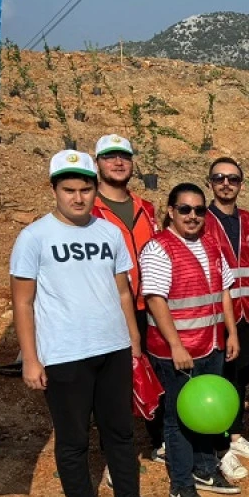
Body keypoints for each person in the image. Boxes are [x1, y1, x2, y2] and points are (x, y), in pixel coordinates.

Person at [10, 150, 167, 497]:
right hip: (64, 354)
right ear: (54, 190)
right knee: (73, 439)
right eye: (69, 190)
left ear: (95, 189)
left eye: (85, 189)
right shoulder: (34, 237)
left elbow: (122, 290)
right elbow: (23, 302)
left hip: (113, 348)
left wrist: (133, 340)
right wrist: (31, 359)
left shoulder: (108, 233)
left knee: (120, 431)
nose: (78, 198)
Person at [140, 183, 242, 497]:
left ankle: (206, 469)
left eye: (199, 210)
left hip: (211, 346)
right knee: (180, 418)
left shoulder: (211, 245)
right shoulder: (158, 249)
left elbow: (225, 291)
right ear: (171, 211)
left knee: (207, 413)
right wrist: (175, 346)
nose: (193, 216)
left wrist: (231, 333)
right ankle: (181, 485)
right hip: (179, 352)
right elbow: (155, 300)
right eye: (185, 209)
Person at [90, 133, 163, 457]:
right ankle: (114, 454)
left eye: (124, 156)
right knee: (112, 384)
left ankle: (160, 440)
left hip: (148, 305)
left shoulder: (146, 208)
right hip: (108, 308)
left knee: (154, 372)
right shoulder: (89, 209)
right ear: (98, 163)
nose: (118, 162)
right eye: (110, 156)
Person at [203, 156, 249, 479]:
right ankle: (219, 446)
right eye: (219, 178)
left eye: (232, 178)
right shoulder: (202, 219)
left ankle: (236, 435)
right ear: (210, 183)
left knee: (240, 377)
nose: (226, 183)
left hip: (248, 313)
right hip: (217, 314)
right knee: (220, 379)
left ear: (241, 184)